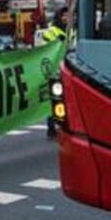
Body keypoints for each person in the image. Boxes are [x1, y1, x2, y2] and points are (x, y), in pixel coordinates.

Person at [39, 7, 69, 139]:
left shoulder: (72, 30)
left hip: (68, 68)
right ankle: (51, 128)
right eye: (64, 15)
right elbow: (44, 50)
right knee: (54, 100)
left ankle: (64, 126)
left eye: (69, 15)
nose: (67, 18)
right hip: (54, 71)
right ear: (59, 17)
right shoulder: (52, 31)